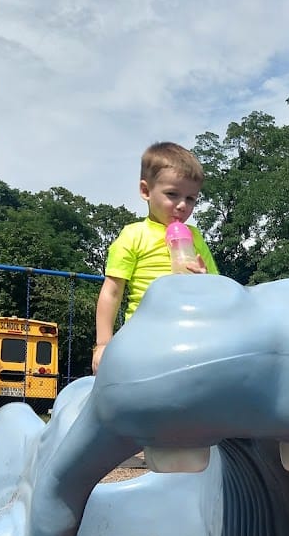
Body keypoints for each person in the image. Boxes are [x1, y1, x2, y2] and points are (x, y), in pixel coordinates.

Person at [92, 142, 219, 373]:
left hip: (190, 334)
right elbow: (112, 291)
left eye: (191, 199)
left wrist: (204, 280)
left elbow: (217, 287)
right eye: (172, 194)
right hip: (143, 337)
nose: (182, 205)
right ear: (145, 191)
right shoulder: (134, 235)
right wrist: (103, 344)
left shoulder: (196, 237)